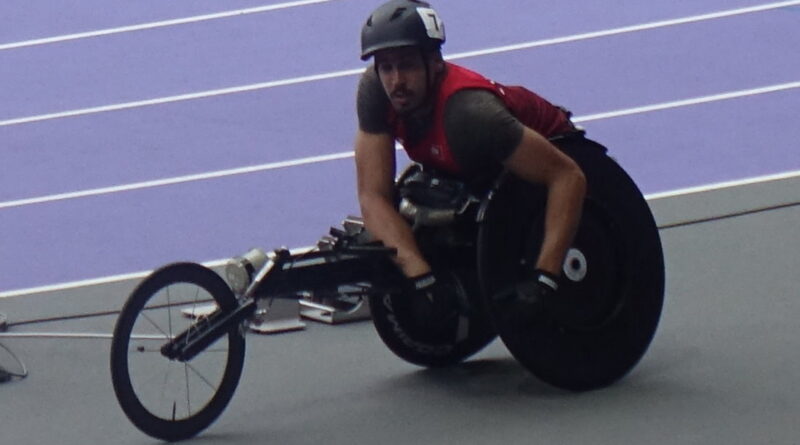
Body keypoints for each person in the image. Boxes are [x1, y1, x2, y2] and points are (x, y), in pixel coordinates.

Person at [354, 0, 586, 309]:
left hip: (551, 155)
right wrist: (420, 276)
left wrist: (545, 278)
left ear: (435, 62)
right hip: (474, 161)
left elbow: (568, 176)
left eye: (407, 65)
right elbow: (373, 195)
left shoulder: (471, 115)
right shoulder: (376, 91)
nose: (396, 82)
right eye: (386, 67)